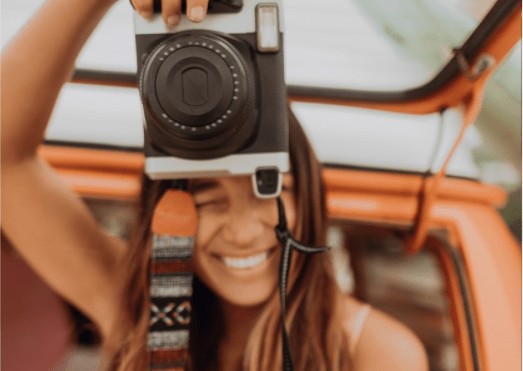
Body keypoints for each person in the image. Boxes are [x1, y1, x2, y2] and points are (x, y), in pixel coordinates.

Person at [1, 0, 429, 370]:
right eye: (207, 199)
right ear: (167, 212)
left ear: (312, 198)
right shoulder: (139, 307)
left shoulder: (373, 350)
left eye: (269, 188)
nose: (243, 232)